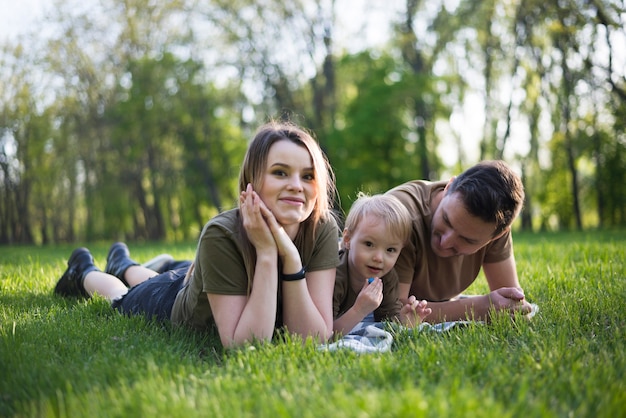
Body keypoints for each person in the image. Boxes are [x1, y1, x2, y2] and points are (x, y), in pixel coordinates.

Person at [54, 121, 341, 348]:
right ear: (253, 181)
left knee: (170, 275)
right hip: (176, 303)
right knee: (121, 297)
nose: (296, 186)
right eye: (280, 173)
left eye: (307, 176)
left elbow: (312, 338)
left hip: (201, 281)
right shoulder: (222, 233)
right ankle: (83, 270)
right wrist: (267, 254)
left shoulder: (322, 228)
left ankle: (124, 265)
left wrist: (290, 259)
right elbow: (246, 344)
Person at [386, 160, 533, 323]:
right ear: (448, 187)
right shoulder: (400, 218)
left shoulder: (492, 224)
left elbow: (511, 304)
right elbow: (394, 312)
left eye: (467, 239)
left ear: (497, 236)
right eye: (446, 220)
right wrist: (478, 308)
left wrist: (507, 306)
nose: (445, 242)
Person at [332, 193, 431, 336]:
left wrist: (405, 321)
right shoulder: (334, 276)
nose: (379, 258)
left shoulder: (387, 278)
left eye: (390, 250)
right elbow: (323, 334)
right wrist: (359, 311)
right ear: (347, 239)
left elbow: (387, 320)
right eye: (369, 244)